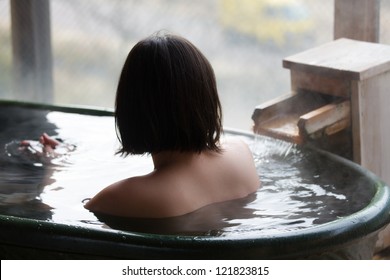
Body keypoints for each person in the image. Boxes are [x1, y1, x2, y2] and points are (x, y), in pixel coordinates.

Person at [82, 32, 260, 218]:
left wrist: (50, 171)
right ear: (207, 98)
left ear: (132, 109)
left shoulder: (121, 197)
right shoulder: (241, 153)